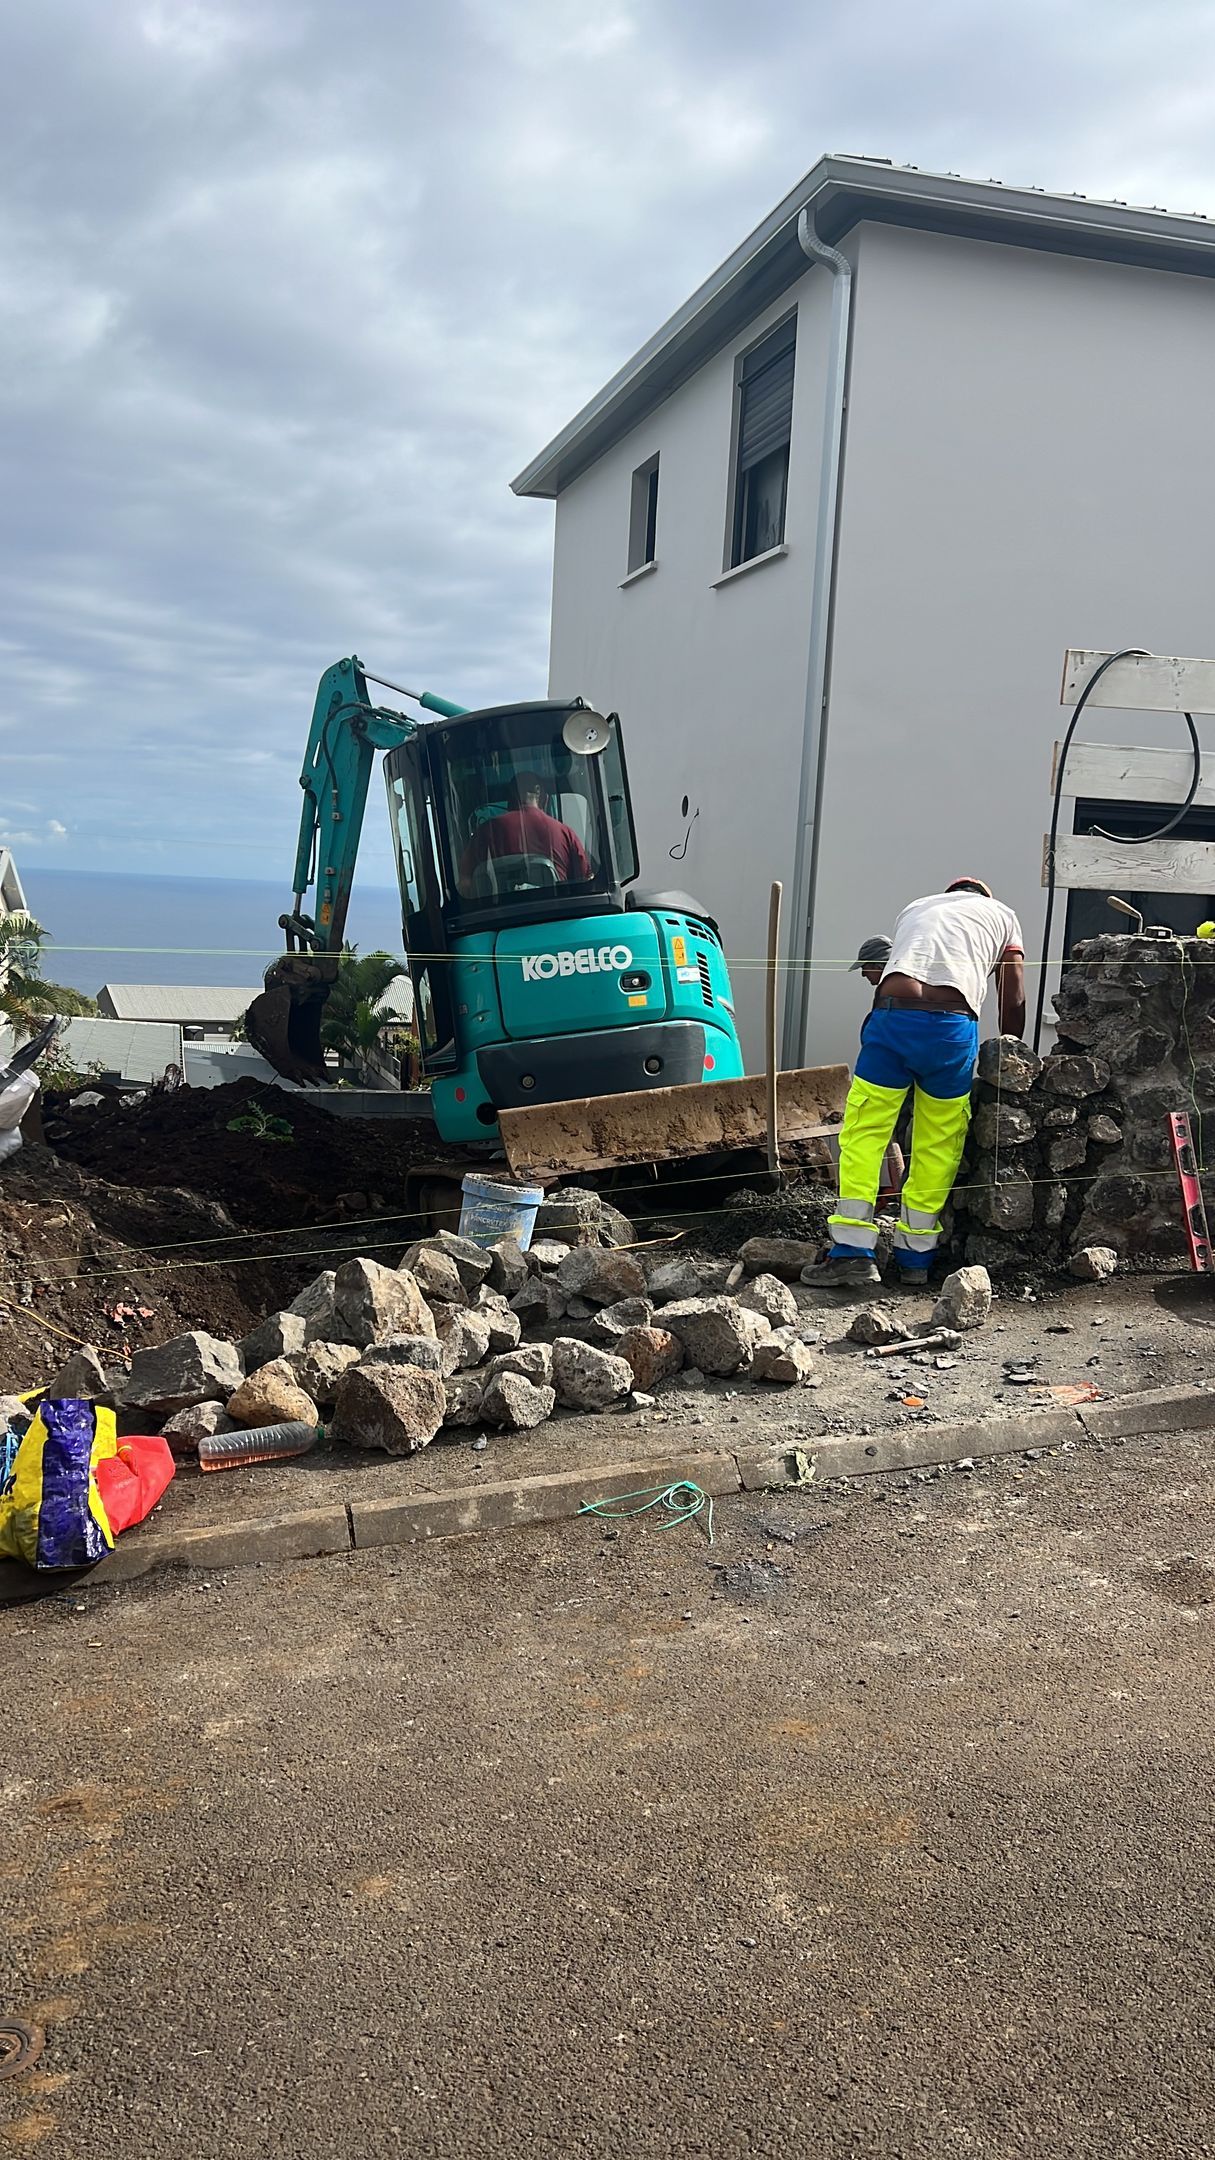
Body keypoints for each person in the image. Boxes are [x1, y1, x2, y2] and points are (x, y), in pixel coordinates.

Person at [809, 879, 1026, 1287]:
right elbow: (1011, 989)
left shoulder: (917, 906)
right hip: (952, 1026)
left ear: (949, 894)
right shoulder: (1004, 917)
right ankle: (916, 1258)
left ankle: (852, 1252)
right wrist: (1013, 1047)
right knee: (939, 1140)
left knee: (866, 1130)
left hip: (893, 1016)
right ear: (985, 899)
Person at [459, 772, 592, 895]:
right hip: (559, 913)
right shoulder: (565, 833)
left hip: (498, 916)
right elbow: (586, 882)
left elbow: (465, 884)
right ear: (543, 797)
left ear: (510, 799)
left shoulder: (484, 832)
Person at [849, 935, 903, 1199]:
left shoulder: (897, 992)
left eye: (865, 968)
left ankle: (899, 1193)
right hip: (889, 1077)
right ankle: (898, 1191)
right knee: (894, 1135)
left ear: (878, 964)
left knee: (895, 1134)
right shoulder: (888, 992)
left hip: (893, 1080)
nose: (863, 975)